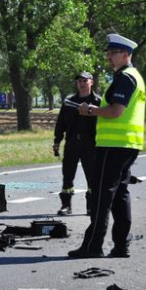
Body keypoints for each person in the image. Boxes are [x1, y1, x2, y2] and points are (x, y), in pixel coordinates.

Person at [68, 34, 146, 259]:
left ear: (126, 55)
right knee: (120, 193)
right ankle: (121, 246)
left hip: (114, 146)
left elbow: (116, 111)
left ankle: (93, 246)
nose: (109, 57)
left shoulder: (125, 78)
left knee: (101, 195)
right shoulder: (133, 77)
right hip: (128, 144)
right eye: (108, 53)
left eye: (113, 53)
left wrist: (90, 110)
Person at [53, 71, 100, 215]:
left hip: (91, 143)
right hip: (72, 141)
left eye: (85, 81)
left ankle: (91, 206)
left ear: (91, 82)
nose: (81, 83)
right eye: (79, 81)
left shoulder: (99, 102)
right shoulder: (69, 102)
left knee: (92, 176)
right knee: (68, 174)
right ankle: (66, 205)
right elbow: (61, 123)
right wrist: (57, 141)